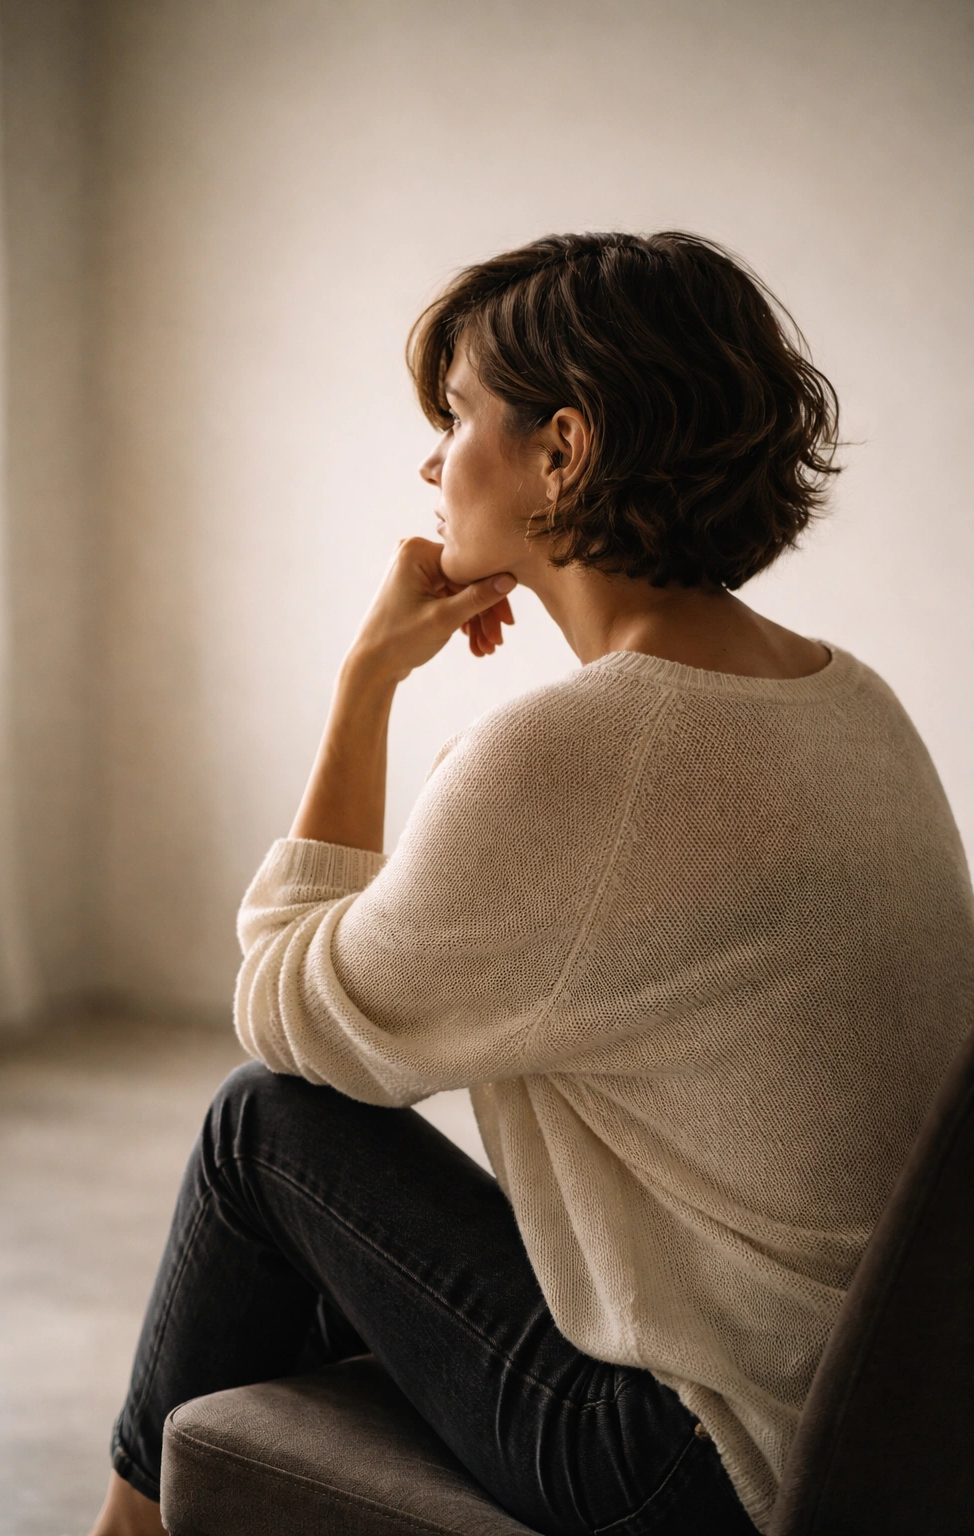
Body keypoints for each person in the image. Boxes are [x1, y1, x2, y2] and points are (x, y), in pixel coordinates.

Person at [89, 232, 973, 1536]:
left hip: (695, 1460)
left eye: (457, 417)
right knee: (303, 1242)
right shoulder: (850, 699)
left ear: (564, 451)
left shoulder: (586, 750)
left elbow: (288, 1013)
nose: (434, 462)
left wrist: (364, 686)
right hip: (879, 1425)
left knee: (260, 1131)